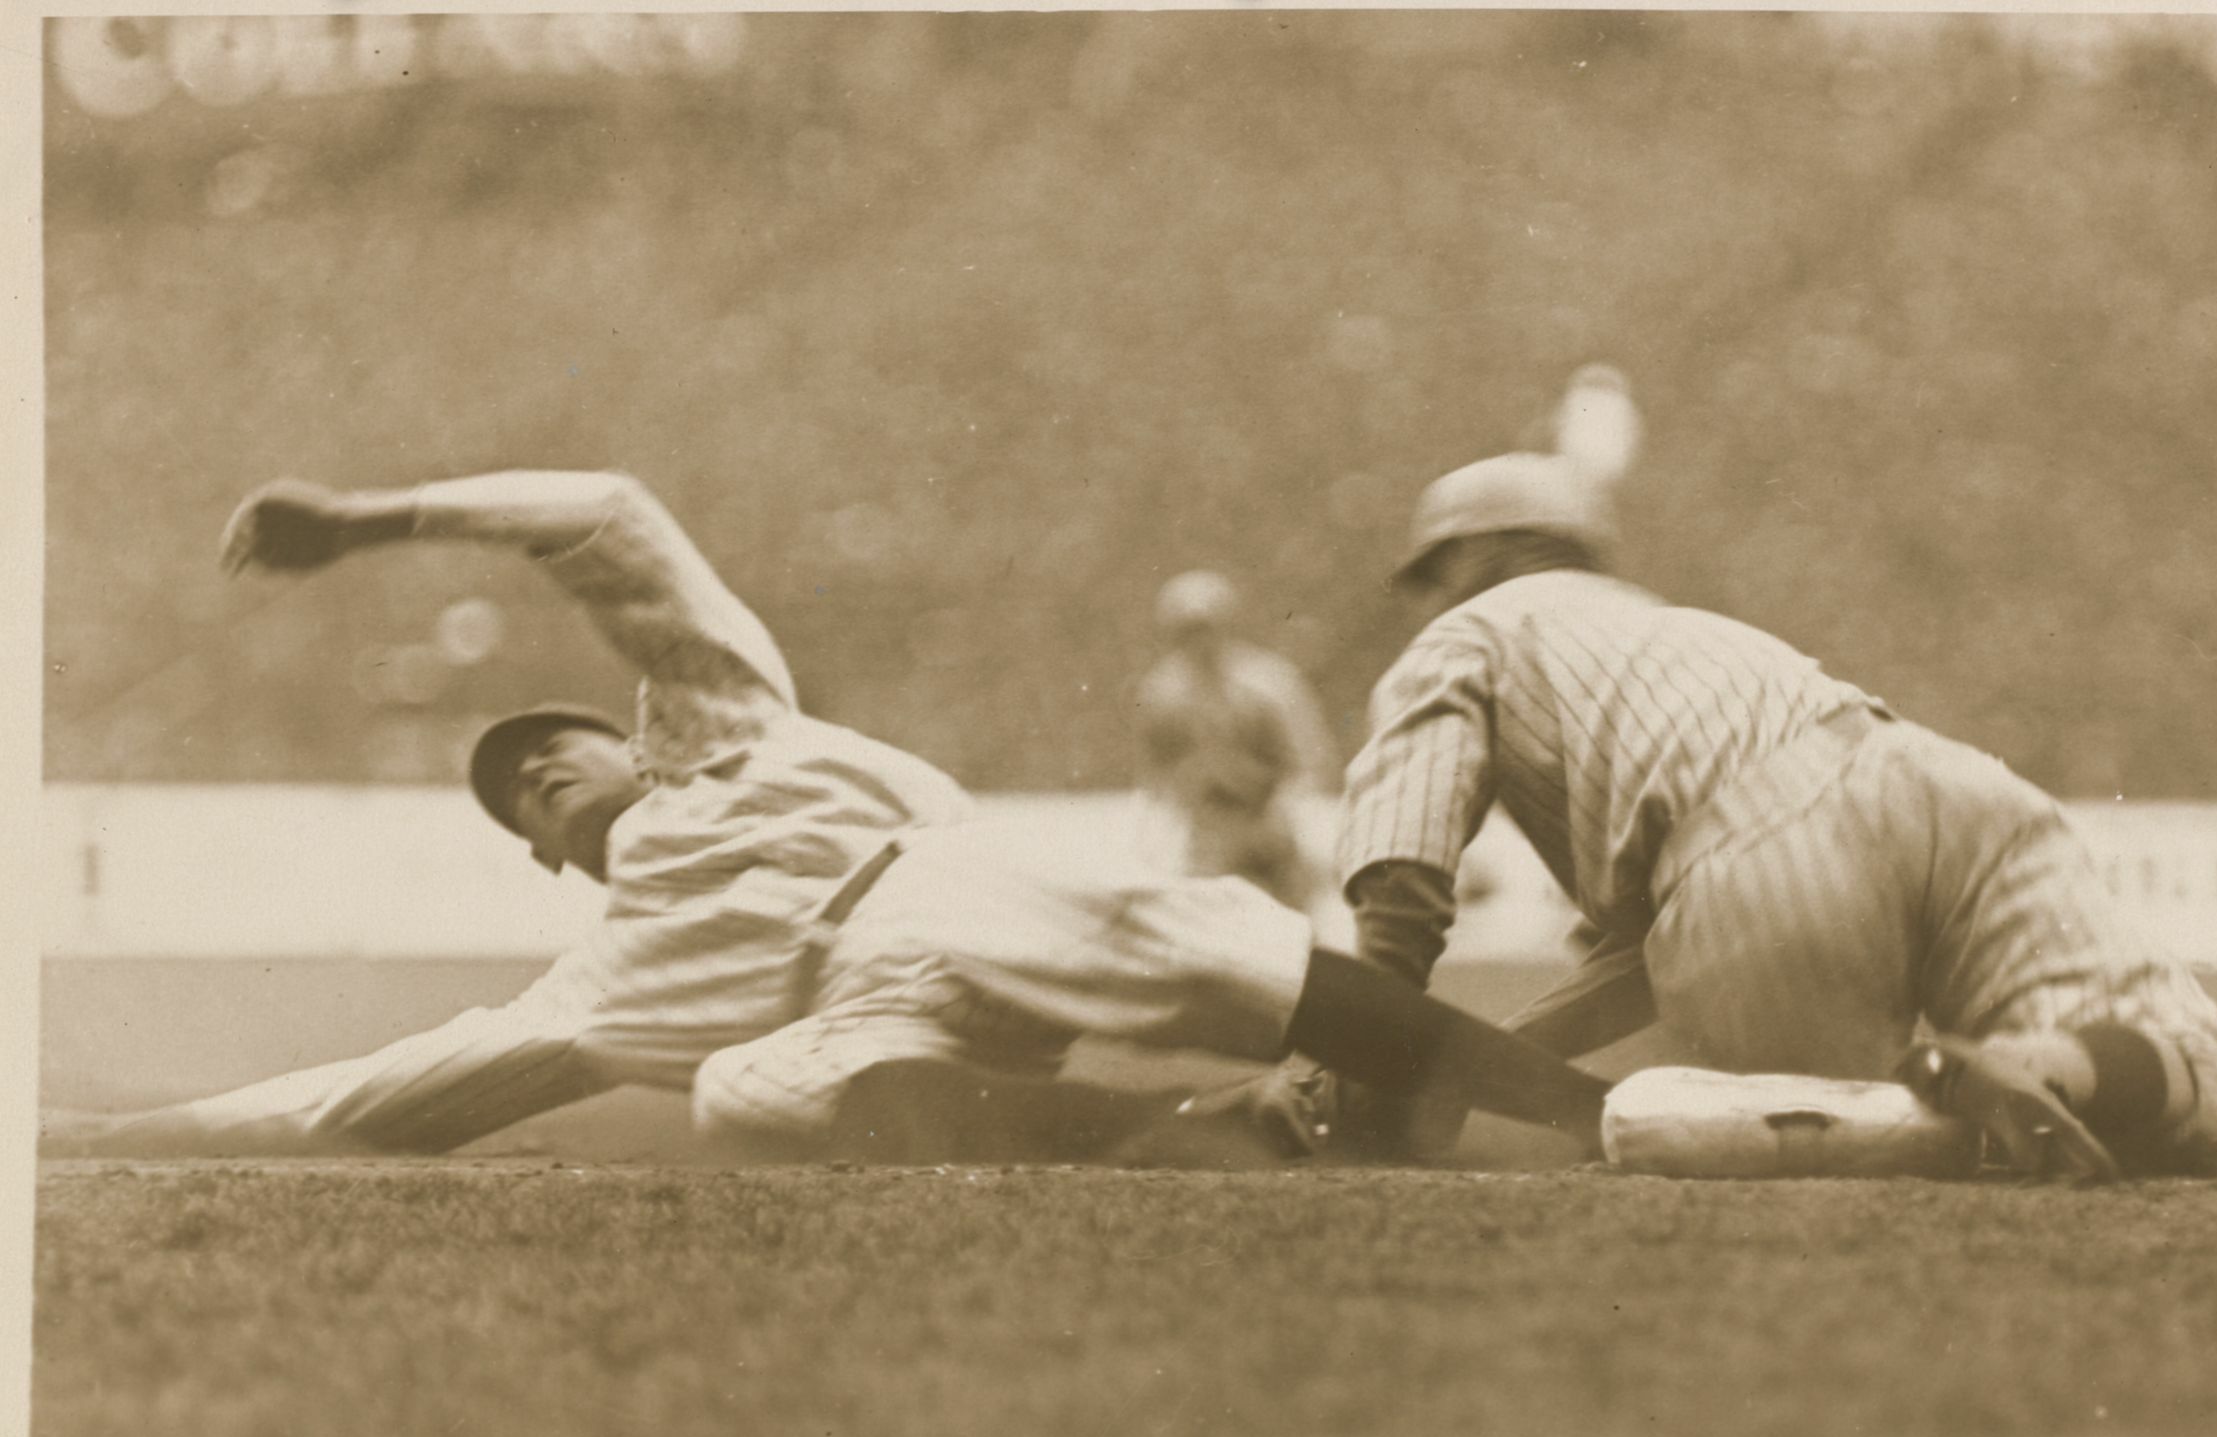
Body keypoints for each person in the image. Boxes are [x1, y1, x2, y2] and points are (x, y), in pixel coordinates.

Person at [41, 469, 1610, 1166]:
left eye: (559, 748)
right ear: (537, 848)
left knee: (1195, 930)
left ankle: (1582, 1114)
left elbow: (609, 518)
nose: (547, 775)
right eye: (522, 789)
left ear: (627, 740)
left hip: (940, 885)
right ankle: (1202, 1136)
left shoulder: (729, 731)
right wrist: (116, 1135)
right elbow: (361, 1100)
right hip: (870, 1017)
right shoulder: (606, 982)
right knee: (746, 1099)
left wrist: (368, 521)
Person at [1327, 449, 2217, 1180]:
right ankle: (2076, 1071)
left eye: (1434, 572)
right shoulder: (1679, 632)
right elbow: (1651, 959)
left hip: (1760, 861)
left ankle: (1971, 1124)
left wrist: (1366, 1062)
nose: (1429, 598)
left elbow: (1404, 884)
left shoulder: (1462, 637)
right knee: (2196, 1066)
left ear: (1481, 555)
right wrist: (1468, 1065)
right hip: (1941, 786)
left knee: (1803, 1131)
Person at [1131, 569, 1338, 910]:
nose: (1198, 642)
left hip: (1269, 822)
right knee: (1207, 920)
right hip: (1209, 832)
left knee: (1292, 920)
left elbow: (1311, 760)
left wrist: (1282, 810)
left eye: (1205, 628)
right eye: (1185, 632)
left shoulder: (1268, 684)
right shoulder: (1161, 693)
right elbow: (1154, 775)